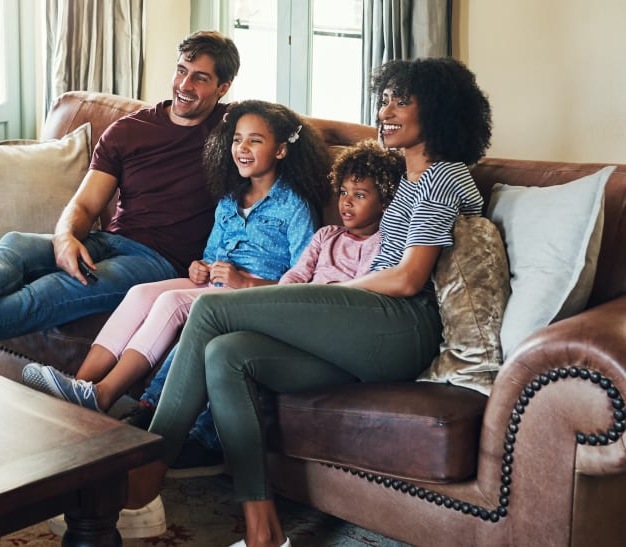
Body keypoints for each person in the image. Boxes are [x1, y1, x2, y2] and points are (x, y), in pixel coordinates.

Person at [126, 57, 492, 547]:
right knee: (227, 354)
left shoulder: (441, 176)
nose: (385, 111)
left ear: (441, 111)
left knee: (211, 309)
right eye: (384, 98)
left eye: (401, 101)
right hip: (369, 332)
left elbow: (408, 279)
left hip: (403, 327)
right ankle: (263, 531)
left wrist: (321, 296)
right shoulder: (409, 179)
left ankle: (143, 486)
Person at [0, 31, 241, 344]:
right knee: (16, 244)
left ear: (223, 87)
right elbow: (86, 205)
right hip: (109, 240)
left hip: (159, 263)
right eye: (181, 71)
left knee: (46, 293)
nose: (184, 85)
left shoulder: (235, 132)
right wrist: (65, 238)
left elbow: (283, 140)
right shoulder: (130, 131)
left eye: (200, 78)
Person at [21, 100, 332, 418]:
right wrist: (200, 268)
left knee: (172, 302)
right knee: (140, 293)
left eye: (255, 140)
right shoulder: (229, 199)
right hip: (217, 285)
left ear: (280, 150)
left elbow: (303, 284)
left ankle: (103, 394)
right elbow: (211, 257)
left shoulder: (295, 206)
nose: (242, 148)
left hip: (255, 296)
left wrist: (246, 282)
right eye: (237, 139)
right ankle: (78, 385)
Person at [120, 138, 405, 475]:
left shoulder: (383, 245)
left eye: (360, 195)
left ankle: (207, 441)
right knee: (208, 331)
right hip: (293, 310)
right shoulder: (327, 235)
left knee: (232, 343)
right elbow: (296, 275)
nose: (346, 203)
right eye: (343, 192)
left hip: (329, 326)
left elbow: (365, 293)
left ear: (385, 203)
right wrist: (276, 303)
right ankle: (152, 406)